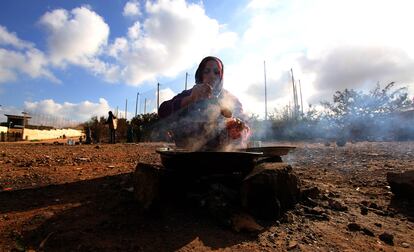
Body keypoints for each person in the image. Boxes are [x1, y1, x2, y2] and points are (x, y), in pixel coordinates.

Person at [158, 56, 250, 150]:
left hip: (222, 153)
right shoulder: (191, 93)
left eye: (216, 72)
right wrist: (190, 99)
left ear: (221, 76)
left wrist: (239, 129)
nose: (212, 76)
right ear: (200, 74)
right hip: (188, 152)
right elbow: (162, 111)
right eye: (206, 71)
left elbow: (244, 124)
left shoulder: (230, 99)